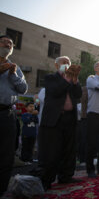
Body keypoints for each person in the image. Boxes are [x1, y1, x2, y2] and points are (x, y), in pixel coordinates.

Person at [37, 56, 82, 190]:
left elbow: (78, 94)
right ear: (57, 65)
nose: (67, 65)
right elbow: (55, 92)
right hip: (54, 119)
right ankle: (46, 180)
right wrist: (67, 78)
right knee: (52, 150)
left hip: (70, 118)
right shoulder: (51, 78)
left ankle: (66, 176)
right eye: (64, 63)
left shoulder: (72, 79)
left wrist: (75, 81)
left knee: (69, 149)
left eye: (68, 62)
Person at [0, 35, 28, 197]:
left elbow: (23, 88)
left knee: (6, 153)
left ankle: (2, 189)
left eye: (10, 44)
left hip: (7, 113)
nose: (8, 45)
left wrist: (12, 74)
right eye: (4, 42)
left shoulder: (14, 67)